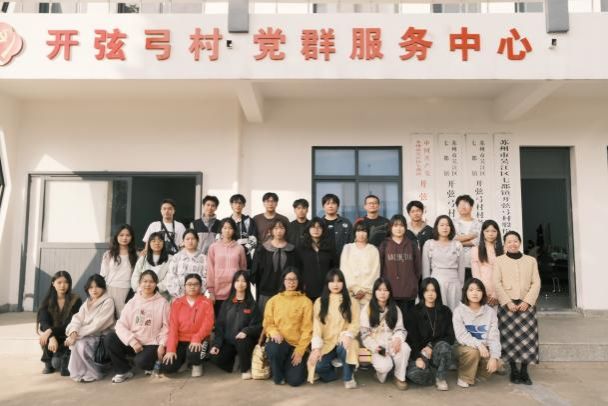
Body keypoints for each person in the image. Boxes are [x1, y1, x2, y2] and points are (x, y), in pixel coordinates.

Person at [493, 231, 541, 385]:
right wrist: (507, 302)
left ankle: (524, 371)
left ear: (519, 242)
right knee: (509, 338)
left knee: (528, 339)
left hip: (526, 305)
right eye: (509, 241)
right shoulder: (499, 261)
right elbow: (496, 282)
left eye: (515, 241)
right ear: (505, 244)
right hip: (507, 306)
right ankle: (513, 370)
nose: (512, 244)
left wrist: (527, 301)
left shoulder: (531, 260)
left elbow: (536, 283)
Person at [105, 270, 170, 383]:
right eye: (145, 281)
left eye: (151, 282)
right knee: (110, 338)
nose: (148, 284)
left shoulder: (163, 303)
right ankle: (123, 370)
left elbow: (167, 327)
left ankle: (151, 364)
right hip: (134, 343)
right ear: (139, 283)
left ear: (156, 284)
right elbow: (120, 325)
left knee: (141, 362)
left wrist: (162, 344)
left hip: (151, 344)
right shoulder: (132, 302)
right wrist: (132, 341)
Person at [307, 269, 359, 389]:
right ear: (327, 284)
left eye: (339, 281)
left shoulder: (352, 301)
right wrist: (316, 348)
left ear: (343, 283)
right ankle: (334, 373)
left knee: (345, 348)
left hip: (344, 340)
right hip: (327, 343)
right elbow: (317, 326)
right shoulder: (320, 302)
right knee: (319, 367)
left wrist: (348, 335)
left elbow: (355, 323)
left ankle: (348, 376)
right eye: (332, 281)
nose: (335, 284)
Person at [263, 267, 313, 387]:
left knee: (295, 381)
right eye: (288, 279)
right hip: (279, 342)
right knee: (274, 349)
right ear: (283, 281)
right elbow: (268, 323)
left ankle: (287, 366)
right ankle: (278, 376)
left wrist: (300, 351)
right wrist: (273, 332)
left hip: (296, 346)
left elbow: (308, 329)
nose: (291, 282)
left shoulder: (306, 302)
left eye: (294, 279)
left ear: (299, 281)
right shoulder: (273, 301)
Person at [360, 277, 410, 390]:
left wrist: (397, 339)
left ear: (390, 292)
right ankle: (379, 374)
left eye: (386, 290)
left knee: (405, 348)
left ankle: (399, 377)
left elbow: (400, 329)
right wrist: (376, 347)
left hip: (391, 344)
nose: (382, 293)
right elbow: (364, 335)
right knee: (385, 367)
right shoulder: (367, 309)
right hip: (376, 347)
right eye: (379, 290)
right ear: (374, 292)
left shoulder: (395, 309)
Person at [405, 277, 455, 391]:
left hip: (437, 351)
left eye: (433, 290)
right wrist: (417, 357)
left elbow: (450, 337)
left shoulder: (445, 311)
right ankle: (432, 373)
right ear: (422, 292)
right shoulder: (414, 311)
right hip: (420, 352)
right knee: (413, 374)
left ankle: (440, 377)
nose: (430, 294)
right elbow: (410, 339)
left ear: (437, 292)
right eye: (427, 290)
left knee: (444, 346)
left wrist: (431, 345)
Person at [210, 271, 262, 379]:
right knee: (214, 357)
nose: (240, 284)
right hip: (229, 341)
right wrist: (217, 344)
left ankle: (245, 369)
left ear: (247, 284)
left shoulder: (252, 304)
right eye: (237, 281)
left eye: (244, 281)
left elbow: (258, 325)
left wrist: (246, 331)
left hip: (245, 342)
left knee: (242, 342)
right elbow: (220, 326)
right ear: (233, 283)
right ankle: (235, 360)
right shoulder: (226, 303)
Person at [65, 274, 116, 383]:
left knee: (81, 344)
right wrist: (73, 331)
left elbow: (97, 325)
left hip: (100, 336)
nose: (94, 290)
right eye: (91, 287)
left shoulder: (108, 301)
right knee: (78, 343)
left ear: (103, 287)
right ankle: (81, 372)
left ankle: (94, 373)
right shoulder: (87, 302)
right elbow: (77, 318)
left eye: (97, 286)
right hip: (85, 334)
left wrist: (76, 335)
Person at [452, 278, 501, 388]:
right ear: (465, 292)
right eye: (471, 290)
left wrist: (494, 357)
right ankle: (464, 377)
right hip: (462, 347)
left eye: (478, 290)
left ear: (483, 293)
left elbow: (494, 337)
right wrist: (479, 345)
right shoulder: (459, 311)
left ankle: (477, 373)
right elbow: (461, 336)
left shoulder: (490, 312)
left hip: (484, 348)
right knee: (472, 352)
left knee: (498, 362)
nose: (475, 293)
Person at [163, 273, 214, 378]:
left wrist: (197, 338)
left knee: (194, 353)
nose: (192, 287)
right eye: (189, 284)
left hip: (200, 339)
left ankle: (197, 364)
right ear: (184, 286)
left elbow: (208, 324)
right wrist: (170, 349)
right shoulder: (177, 303)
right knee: (168, 367)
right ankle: (185, 362)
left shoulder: (206, 302)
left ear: (200, 286)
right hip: (182, 340)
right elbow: (173, 328)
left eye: (196, 284)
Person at [37, 271, 82, 375]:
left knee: (57, 363)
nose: (63, 285)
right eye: (59, 282)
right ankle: (48, 361)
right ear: (53, 283)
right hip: (52, 338)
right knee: (45, 333)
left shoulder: (76, 300)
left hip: (67, 336)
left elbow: (70, 324)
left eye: (66, 282)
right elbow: (43, 322)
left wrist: (50, 331)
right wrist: (51, 337)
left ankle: (58, 358)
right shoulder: (47, 300)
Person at [250, 218, 296, 313]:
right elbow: (255, 272)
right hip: (265, 293)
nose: (279, 231)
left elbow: (296, 271)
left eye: (281, 228)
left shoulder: (292, 250)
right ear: (270, 231)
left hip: (287, 293)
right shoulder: (262, 250)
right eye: (275, 228)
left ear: (286, 230)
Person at [379, 214, 421, 317]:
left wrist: (413, 283)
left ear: (405, 227)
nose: (398, 228)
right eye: (395, 225)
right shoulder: (384, 244)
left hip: (408, 292)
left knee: (408, 321)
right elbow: (380, 267)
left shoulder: (412, 244)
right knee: (391, 320)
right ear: (391, 227)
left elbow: (418, 268)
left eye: (401, 225)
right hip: (390, 292)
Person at [422, 215, 466, 311]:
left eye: (447, 225)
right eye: (442, 225)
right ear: (436, 227)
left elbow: (461, 269)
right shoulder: (429, 244)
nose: (445, 228)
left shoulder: (457, 245)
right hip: (436, 284)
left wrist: (460, 286)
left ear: (451, 227)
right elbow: (425, 268)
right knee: (438, 312)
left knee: (454, 312)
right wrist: (427, 288)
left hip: (454, 284)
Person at [207, 218, 247, 316]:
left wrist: (242, 290)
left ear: (234, 230)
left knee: (234, 320)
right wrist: (211, 291)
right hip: (218, 292)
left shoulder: (239, 248)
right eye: (225, 228)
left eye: (230, 228)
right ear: (220, 229)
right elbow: (210, 269)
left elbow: (243, 269)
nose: (227, 230)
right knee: (219, 321)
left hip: (235, 291)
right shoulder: (213, 247)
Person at [295, 217, 338, 302]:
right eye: (313, 227)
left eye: (319, 227)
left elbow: (335, 268)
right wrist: (301, 285)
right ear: (308, 229)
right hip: (307, 290)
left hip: (327, 289)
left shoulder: (330, 247)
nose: (316, 230)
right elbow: (297, 269)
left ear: (323, 230)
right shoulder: (301, 248)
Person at [340, 222, 380, 309]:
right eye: (358, 231)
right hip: (351, 294)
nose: (361, 234)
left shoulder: (373, 250)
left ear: (368, 233)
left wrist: (364, 290)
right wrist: (356, 289)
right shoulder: (347, 248)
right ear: (354, 233)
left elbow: (375, 273)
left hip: (368, 295)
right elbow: (344, 271)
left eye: (364, 231)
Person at [100, 224, 138, 316]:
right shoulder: (109, 254)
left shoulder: (136, 255)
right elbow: (103, 274)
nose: (124, 238)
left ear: (131, 237)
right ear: (116, 236)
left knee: (124, 317)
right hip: (110, 289)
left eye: (128, 235)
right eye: (121, 235)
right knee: (108, 317)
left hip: (127, 290)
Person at [471, 220, 504, 307]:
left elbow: (505, 274)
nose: (490, 234)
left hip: (500, 291)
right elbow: (476, 275)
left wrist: (496, 293)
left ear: (498, 233)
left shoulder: (503, 250)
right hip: (482, 291)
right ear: (483, 233)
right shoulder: (476, 250)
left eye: (494, 231)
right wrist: (482, 292)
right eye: (487, 231)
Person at [166, 229, 207, 300]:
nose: (190, 241)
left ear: (198, 241)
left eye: (193, 239)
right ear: (183, 241)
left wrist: (196, 292)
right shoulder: (176, 257)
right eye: (187, 239)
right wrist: (180, 294)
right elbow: (171, 277)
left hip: (198, 297)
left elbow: (206, 278)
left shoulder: (204, 258)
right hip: (178, 297)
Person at [131, 231, 172, 300]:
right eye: (153, 241)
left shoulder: (171, 259)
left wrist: (155, 289)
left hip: (161, 296)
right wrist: (140, 289)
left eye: (160, 241)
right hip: (142, 295)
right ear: (149, 244)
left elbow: (169, 278)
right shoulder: (143, 258)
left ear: (164, 243)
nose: (157, 243)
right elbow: (135, 276)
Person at [453, 195, 482, 282]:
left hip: (474, 263)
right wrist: (471, 236)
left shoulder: (479, 224)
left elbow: (478, 241)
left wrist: (459, 241)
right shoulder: (452, 224)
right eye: (460, 204)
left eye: (466, 204)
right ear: (457, 208)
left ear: (471, 207)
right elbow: (451, 239)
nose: (463, 206)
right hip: (455, 263)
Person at [228, 194, 258, 270]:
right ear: (231, 205)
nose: (238, 205)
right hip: (228, 256)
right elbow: (220, 239)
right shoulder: (226, 222)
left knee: (244, 275)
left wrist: (243, 250)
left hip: (245, 257)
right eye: (235, 203)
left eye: (240, 203)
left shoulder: (249, 221)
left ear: (244, 205)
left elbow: (254, 239)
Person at [321, 193, 353, 259]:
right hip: (323, 259)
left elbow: (352, 242)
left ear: (338, 206)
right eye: (328, 203)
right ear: (323, 206)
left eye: (333, 203)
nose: (330, 206)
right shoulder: (319, 223)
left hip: (343, 259)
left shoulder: (346, 222)